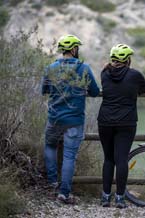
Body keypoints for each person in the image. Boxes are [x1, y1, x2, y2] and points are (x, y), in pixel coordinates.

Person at [41, 34, 100, 204]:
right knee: (69, 156)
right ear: (74, 49)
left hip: (54, 119)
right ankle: (64, 193)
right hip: (74, 120)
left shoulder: (50, 68)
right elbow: (95, 92)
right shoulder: (84, 68)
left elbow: (44, 89)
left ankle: (52, 183)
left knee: (50, 146)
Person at [97, 44, 145, 208]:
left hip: (105, 121)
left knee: (108, 159)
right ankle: (119, 198)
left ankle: (105, 197)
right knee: (121, 160)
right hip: (126, 122)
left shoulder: (104, 73)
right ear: (127, 59)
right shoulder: (135, 75)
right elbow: (143, 90)